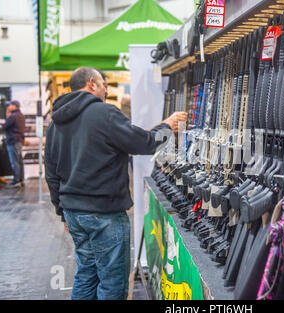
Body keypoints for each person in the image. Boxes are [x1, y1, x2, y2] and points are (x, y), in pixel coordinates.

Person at [44, 67, 187, 300]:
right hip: (104, 214)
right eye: (103, 84)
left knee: (86, 275)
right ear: (91, 83)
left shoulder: (55, 124)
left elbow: (51, 173)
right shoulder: (105, 114)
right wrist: (168, 127)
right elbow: (145, 144)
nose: (106, 89)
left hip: (74, 213)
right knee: (113, 282)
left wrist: (62, 213)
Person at [2, 100, 25, 188]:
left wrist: (7, 116)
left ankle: (16, 181)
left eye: (10, 105)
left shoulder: (13, 116)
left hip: (13, 141)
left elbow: (4, 127)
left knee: (14, 161)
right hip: (19, 140)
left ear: (15, 106)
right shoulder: (21, 115)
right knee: (19, 161)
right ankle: (21, 180)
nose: (9, 107)